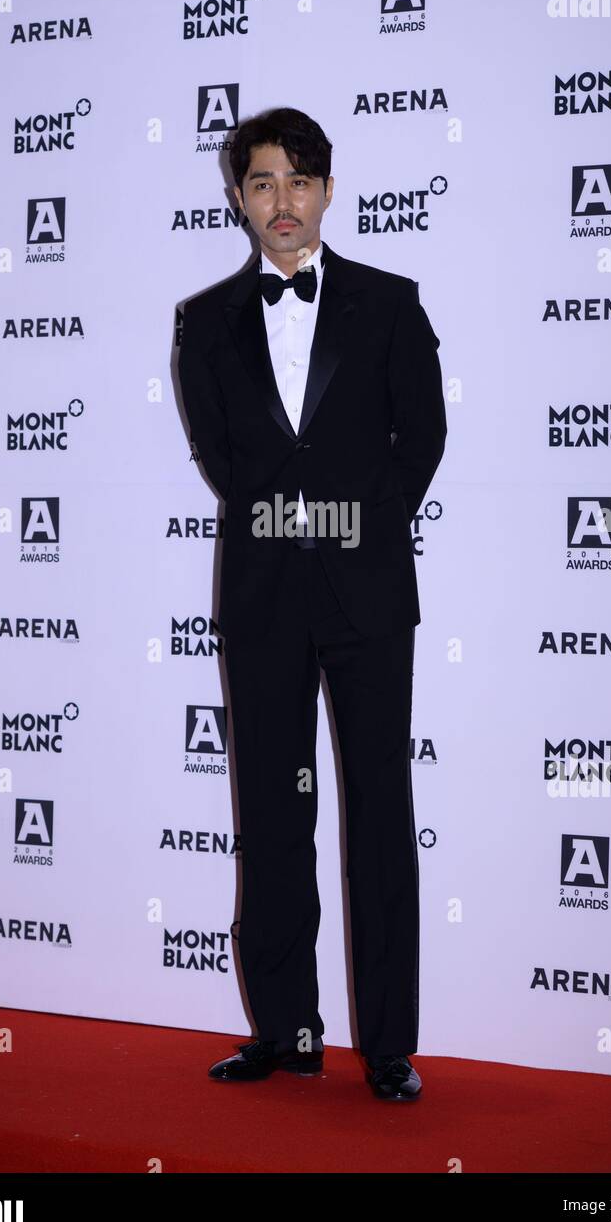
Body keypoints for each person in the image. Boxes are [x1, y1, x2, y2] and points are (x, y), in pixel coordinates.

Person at [178, 107, 446, 1101]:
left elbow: (418, 442)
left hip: (368, 593)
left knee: (379, 813)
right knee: (272, 815)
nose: (280, 203)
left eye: (298, 181)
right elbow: (226, 462)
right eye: (260, 183)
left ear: (328, 190)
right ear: (238, 198)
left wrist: (351, 530)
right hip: (261, 597)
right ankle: (285, 1028)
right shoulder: (204, 322)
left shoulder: (388, 303)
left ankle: (388, 1046)